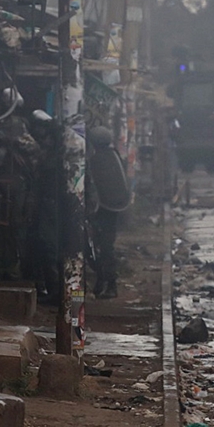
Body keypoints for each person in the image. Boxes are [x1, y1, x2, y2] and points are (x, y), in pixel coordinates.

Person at [86, 126, 132, 299]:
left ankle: (110, 284)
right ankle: (102, 281)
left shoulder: (98, 160)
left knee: (103, 247)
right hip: (112, 209)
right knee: (102, 247)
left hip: (103, 210)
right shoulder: (114, 156)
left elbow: (95, 186)